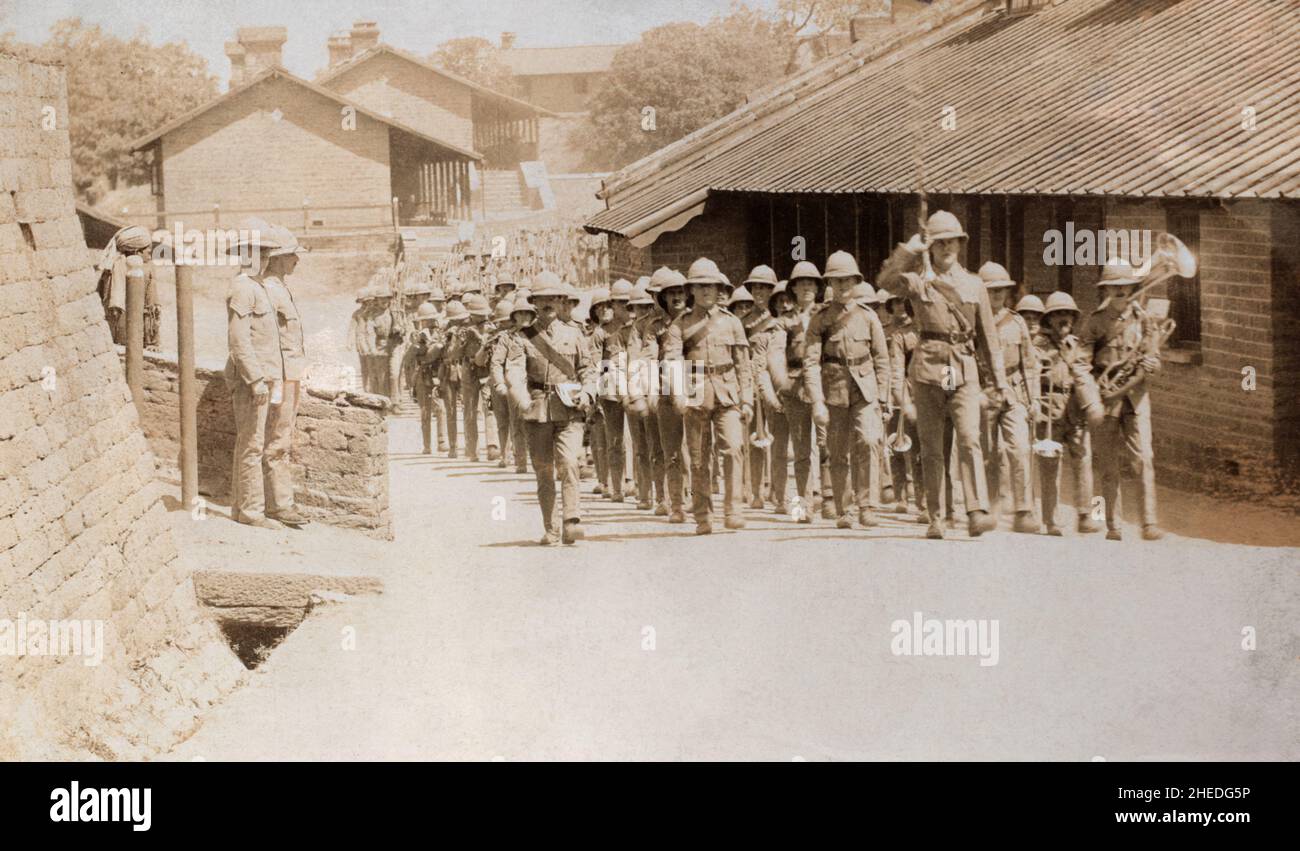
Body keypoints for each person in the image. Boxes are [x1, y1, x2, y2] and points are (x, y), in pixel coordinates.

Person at [878, 209, 1011, 540]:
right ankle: (936, 516)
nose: (947, 248)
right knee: (932, 446)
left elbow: (989, 340)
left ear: (961, 244)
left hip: (962, 369)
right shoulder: (919, 280)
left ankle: (975, 510)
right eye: (939, 243)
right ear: (931, 246)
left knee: (969, 439)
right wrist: (908, 251)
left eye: (952, 241)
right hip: (927, 370)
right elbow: (885, 282)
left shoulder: (975, 285)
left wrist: (1001, 382)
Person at [224, 219, 309, 529]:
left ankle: (257, 509)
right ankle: (250, 512)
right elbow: (239, 340)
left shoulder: (258, 286)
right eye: (259, 252)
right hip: (256, 379)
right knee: (251, 444)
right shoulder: (244, 287)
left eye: (265, 252)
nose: (263, 257)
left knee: (260, 442)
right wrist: (256, 378)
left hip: (271, 376)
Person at [504, 272, 598, 546]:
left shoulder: (575, 334)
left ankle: (571, 520)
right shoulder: (522, 338)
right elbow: (515, 373)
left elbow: (588, 370)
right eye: (543, 298)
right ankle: (552, 528)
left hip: (569, 409)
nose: (549, 303)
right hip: (538, 410)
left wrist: (588, 393)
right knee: (544, 471)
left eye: (555, 298)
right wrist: (523, 402)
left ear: (561, 302)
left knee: (569, 463)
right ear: (534, 302)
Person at [663, 258, 753, 535]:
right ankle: (703, 515)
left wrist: (747, 398)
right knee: (699, 457)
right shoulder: (679, 326)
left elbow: (743, 363)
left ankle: (733, 509)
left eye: (711, 287)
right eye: (700, 286)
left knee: (734, 448)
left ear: (719, 289)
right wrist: (678, 393)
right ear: (691, 290)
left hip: (727, 393)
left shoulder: (732, 322)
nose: (706, 292)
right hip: (696, 392)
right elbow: (672, 361)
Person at [802, 252, 891, 529]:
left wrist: (884, 399)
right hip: (834, 390)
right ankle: (845, 510)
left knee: (868, 441)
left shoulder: (868, 317)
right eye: (837, 281)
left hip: (864, 391)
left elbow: (882, 359)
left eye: (847, 280)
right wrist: (817, 400)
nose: (842, 286)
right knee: (837, 452)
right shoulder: (820, 320)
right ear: (829, 283)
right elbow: (810, 362)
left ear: (856, 281)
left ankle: (868, 505)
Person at [1079, 262, 1163, 541]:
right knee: (1108, 463)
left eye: (1124, 286)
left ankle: (1149, 523)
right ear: (1105, 289)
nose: (1120, 290)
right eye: (1114, 286)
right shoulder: (1096, 321)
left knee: (1144, 460)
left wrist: (1153, 363)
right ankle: (1113, 525)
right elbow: (1080, 362)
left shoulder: (1145, 320)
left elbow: (1154, 358)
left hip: (1136, 399)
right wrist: (1093, 393)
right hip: (1106, 400)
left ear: (1132, 288)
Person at [977, 262, 1040, 534]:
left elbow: (1029, 363)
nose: (997, 296)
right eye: (991, 292)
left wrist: (1034, 399)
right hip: (984, 390)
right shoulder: (972, 322)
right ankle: (990, 505)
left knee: (1020, 448)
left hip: (1013, 392)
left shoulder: (1017, 322)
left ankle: (1023, 510)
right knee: (988, 452)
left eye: (1002, 291)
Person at [1035, 292, 1103, 536]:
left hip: (1074, 409)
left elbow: (1087, 374)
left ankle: (1086, 515)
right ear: (1049, 319)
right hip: (1048, 409)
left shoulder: (1078, 344)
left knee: (1084, 461)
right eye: (1058, 315)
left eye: (1068, 315)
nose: (1064, 319)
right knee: (1050, 466)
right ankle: (1051, 520)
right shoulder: (1037, 345)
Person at [769, 261, 825, 523]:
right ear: (792, 289)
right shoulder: (784, 322)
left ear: (817, 287)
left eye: (811, 283)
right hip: (795, 384)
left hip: (825, 385)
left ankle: (833, 499)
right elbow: (776, 354)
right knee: (801, 451)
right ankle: (802, 505)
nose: (806, 287)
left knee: (829, 445)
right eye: (801, 283)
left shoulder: (826, 315)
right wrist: (783, 383)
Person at [648, 268, 690, 523]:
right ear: (663, 298)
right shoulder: (654, 327)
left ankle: (697, 496)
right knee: (672, 450)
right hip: (665, 389)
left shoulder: (697, 321)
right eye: (670, 293)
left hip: (694, 386)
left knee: (697, 449)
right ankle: (676, 504)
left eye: (680, 292)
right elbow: (649, 358)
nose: (676, 297)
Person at [740, 266, 782, 510]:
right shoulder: (743, 322)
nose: (760, 292)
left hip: (774, 386)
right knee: (753, 441)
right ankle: (755, 491)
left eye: (765, 288)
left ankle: (777, 491)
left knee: (777, 439)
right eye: (756, 287)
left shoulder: (778, 321)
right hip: (751, 386)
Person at [626, 278, 666, 512]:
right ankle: (653, 494)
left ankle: (682, 493)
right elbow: (635, 359)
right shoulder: (641, 327)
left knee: (681, 447)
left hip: (677, 386)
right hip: (650, 387)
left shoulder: (681, 320)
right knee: (650, 445)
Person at [96, 225, 161, 350]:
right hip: (134, 334)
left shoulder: (110, 268)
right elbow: (152, 306)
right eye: (148, 251)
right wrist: (153, 342)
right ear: (137, 252)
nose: (150, 255)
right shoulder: (145, 269)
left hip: (114, 334)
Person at [411, 301, 448, 454]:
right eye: (425, 320)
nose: (429, 322)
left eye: (431, 319)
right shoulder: (418, 336)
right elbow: (415, 354)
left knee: (441, 408)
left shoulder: (441, 334)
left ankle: (442, 441)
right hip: (423, 374)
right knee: (425, 411)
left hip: (437, 373)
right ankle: (427, 445)